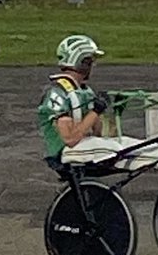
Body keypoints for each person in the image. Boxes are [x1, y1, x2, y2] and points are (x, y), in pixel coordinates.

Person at [36, 34, 110, 170]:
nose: (93, 66)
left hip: (85, 145)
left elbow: (98, 133)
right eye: (90, 62)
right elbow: (70, 139)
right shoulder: (57, 93)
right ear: (83, 62)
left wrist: (101, 111)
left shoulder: (84, 90)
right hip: (64, 152)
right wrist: (95, 111)